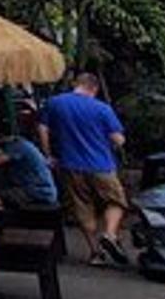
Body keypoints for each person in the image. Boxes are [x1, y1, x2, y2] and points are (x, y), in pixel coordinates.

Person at [40, 72, 130, 266]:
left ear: (76, 84)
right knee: (116, 201)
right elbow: (118, 140)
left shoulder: (54, 103)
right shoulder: (102, 108)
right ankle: (110, 234)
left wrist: (49, 155)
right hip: (101, 165)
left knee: (83, 208)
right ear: (94, 88)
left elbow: (42, 129)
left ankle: (96, 253)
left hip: (70, 164)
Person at [0, 118, 58, 210]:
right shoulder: (20, 144)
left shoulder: (18, 146)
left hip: (39, 191)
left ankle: (0, 221)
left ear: (0, 136)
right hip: (35, 188)